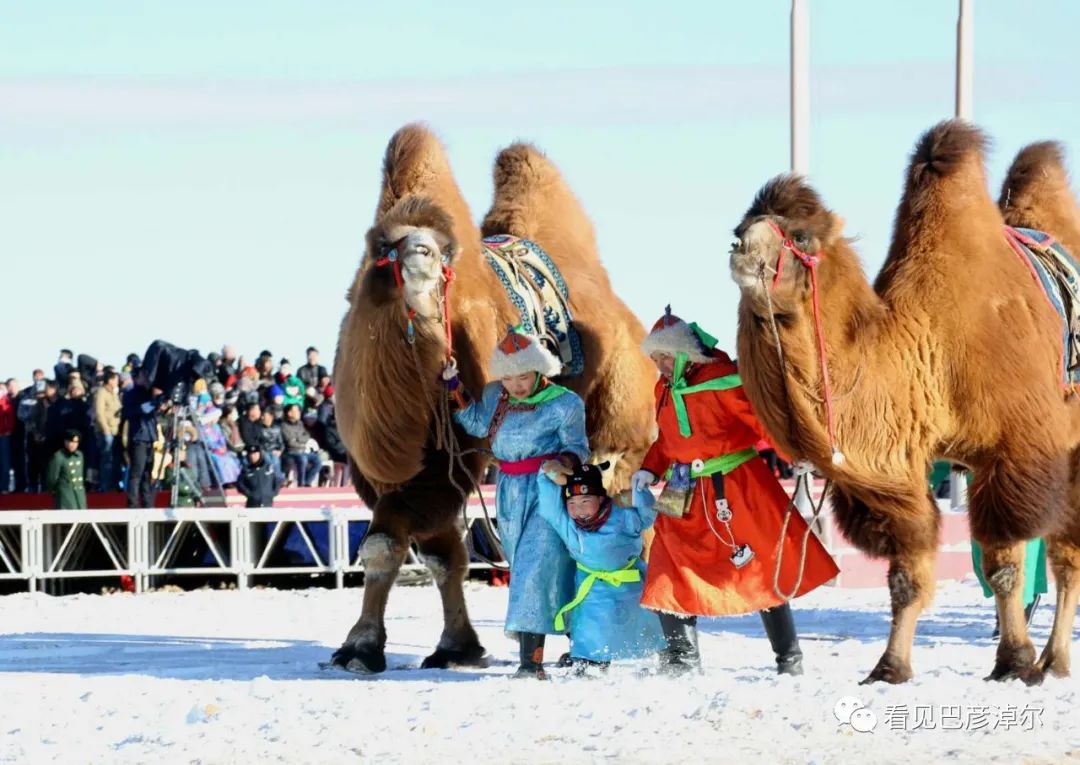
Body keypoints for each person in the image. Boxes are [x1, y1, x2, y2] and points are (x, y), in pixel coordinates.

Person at [633, 306, 840, 675]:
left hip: (737, 485)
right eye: (656, 357)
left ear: (685, 352)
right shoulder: (663, 387)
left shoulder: (724, 379)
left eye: (666, 355)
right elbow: (667, 439)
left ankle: (788, 658)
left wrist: (796, 454)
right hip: (681, 487)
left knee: (759, 566)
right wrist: (650, 469)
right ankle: (682, 660)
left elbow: (765, 423)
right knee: (666, 563)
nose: (661, 363)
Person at [443, 326, 589, 679]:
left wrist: (564, 462)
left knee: (531, 568)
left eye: (522, 376)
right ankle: (582, 644)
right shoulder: (496, 396)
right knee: (544, 572)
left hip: (549, 492)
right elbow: (477, 423)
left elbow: (579, 448)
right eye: (507, 377)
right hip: (508, 493)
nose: (516, 385)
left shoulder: (565, 404)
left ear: (539, 370)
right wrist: (453, 385)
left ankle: (531, 662)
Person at [536, 460, 664, 676]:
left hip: (629, 584)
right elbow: (549, 507)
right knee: (588, 626)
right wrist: (545, 473)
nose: (578, 510)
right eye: (572, 503)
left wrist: (638, 491)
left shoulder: (622, 514)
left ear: (601, 498)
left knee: (641, 624)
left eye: (585, 501)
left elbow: (648, 515)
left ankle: (651, 655)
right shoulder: (568, 523)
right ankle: (590, 661)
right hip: (591, 587)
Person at [92, 371, 122, 491]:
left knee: (114, 460)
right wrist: (106, 430)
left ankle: (113, 485)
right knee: (106, 460)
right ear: (110, 380)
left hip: (116, 431)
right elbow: (99, 413)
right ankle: (105, 487)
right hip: (106, 432)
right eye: (115, 379)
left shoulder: (114, 394)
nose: (117, 382)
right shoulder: (101, 393)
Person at [280, 403, 321, 486]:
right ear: (289, 413)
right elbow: (290, 443)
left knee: (317, 460)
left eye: (298, 411)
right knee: (302, 459)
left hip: (302, 451)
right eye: (296, 411)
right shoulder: (284, 426)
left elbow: (307, 436)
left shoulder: (300, 424)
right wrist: (301, 442)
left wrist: (298, 439)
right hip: (290, 452)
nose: (299, 413)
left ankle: (307, 482)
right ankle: (300, 484)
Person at [45, 429, 87, 509]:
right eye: (71, 442)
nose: (73, 445)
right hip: (65, 495)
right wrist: (53, 490)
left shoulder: (79, 455)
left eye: (75, 442)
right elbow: (52, 478)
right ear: (65, 442)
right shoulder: (58, 457)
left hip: (79, 494)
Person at [237, 443, 281, 508]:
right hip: (253, 504)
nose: (253, 456)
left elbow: (277, 480)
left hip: (267, 503)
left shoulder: (269, 468)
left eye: (255, 454)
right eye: (251, 454)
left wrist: (272, 493)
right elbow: (240, 484)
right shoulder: (246, 470)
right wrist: (250, 494)